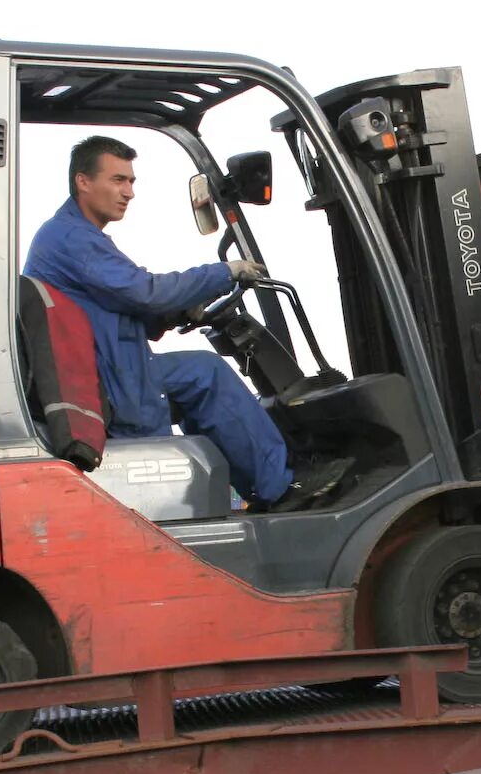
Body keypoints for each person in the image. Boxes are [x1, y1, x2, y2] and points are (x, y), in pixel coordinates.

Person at [24, 135, 345, 511]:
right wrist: (222, 273)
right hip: (108, 379)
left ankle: (261, 486)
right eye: (117, 180)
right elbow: (145, 291)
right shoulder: (71, 237)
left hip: (112, 366)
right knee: (206, 374)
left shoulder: (76, 237)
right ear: (83, 181)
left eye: (131, 182)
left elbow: (124, 307)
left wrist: (176, 312)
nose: (128, 192)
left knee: (197, 374)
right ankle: (280, 488)